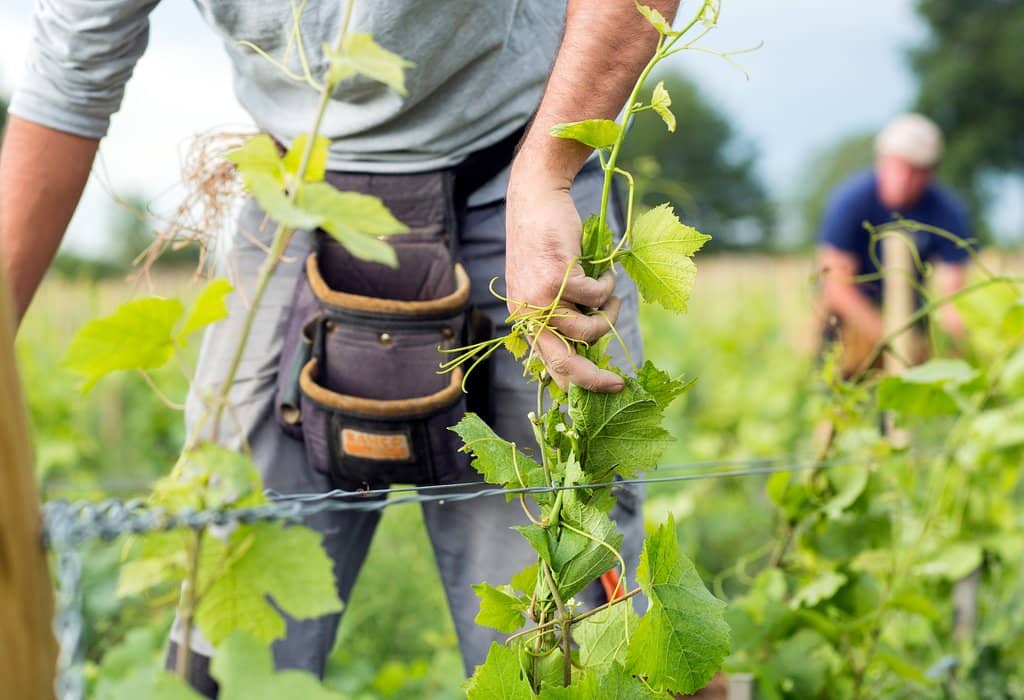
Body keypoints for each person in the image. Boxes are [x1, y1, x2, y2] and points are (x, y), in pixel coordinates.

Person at [0, 1, 678, 695]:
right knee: (229, 639)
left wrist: (548, 172)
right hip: (296, 203)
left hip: (523, 176)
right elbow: (69, 74)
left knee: (566, 646)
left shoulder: (538, 173)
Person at [817, 113, 974, 375]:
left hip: (913, 314)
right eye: (898, 166)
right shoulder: (851, 202)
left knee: (905, 401)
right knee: (836, 398)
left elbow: (953, 293)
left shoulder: (946, 212)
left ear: (931, 173)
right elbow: (836, 286)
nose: (904, 179)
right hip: (852, 316)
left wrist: (953, 342)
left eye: (916, 171)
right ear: (881, 161)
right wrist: (892, 336)